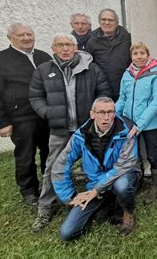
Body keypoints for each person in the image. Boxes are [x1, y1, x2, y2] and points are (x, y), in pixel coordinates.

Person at [28, 33, 110, 231]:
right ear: (53, 48)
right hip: (59, 129)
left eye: (68, 44)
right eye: (60, 45)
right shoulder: (44, 70)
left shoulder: (91, 69)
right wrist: (47, 112)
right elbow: (35, 95)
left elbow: (104, 92)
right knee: (53, 167)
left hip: (87, 128)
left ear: (75, 47)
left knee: (99, 164)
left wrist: (97, 116)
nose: (65, 48)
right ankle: (46, 207)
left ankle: (101, 202)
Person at [51, 97, 141, 240]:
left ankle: (128, 212)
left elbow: (125, 165)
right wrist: (70, 197)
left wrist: (97, 190)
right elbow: (60, 165)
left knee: (122, 186)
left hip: (122, 175)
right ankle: (105, 201)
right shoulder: (81, 135)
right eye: (101, 112)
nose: (106, 117)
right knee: (67, 233)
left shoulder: (126, 132)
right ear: (92, 114)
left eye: (110, 112)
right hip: (96, 184)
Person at [0, 23, 51, 206]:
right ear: (10, 38)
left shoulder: (43, 56)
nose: (26, 38)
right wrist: (0, 122)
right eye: (20, 35)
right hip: (21, 117)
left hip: (46, 115)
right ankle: (29, 191)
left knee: (50, 151)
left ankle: (51, 183)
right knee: (25, 155)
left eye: (29, 34)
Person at [115, 42, 157, 205]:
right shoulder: (127, 74)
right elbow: (122, 98)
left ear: (147, 55)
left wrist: (140, 124)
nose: (139, 56)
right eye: (135, 53)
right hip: (128, 121)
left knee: (151, 153)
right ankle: (137, 180)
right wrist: (113, 115)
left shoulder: (156, 73)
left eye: (142, 53)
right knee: (133, 153)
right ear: (131, 56)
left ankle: (155, 185)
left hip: (148, 123)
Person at [86, 8, 131, 101]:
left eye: (110, 20)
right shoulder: (92, 41)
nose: (106, 23)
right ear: (99, 21)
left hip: (124, 87)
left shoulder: (128, 39)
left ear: (117, 22)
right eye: (103, 19)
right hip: (102, 89)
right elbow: (89, 65)